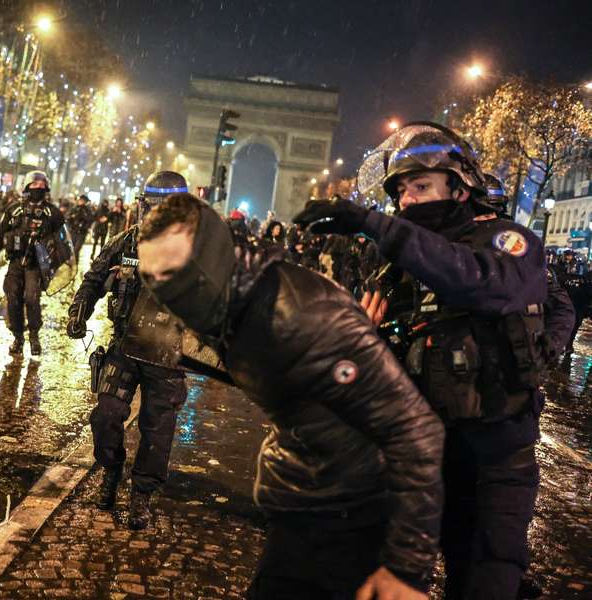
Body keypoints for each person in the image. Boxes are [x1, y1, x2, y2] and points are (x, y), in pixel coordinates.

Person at [137, 193, 444, 599]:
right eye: (154, 279)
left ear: (209, 258)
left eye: (177, 274)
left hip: (349, 516)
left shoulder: (304, 318)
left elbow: (415, 431)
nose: (168, 295)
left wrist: (406, 571)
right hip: (303, 504)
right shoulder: (231, 301)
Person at [295, 121, 549, 599]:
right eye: (402, 192)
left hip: (496, 461)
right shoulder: (395, 268)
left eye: (421, 186)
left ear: (459, 187)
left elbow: (476, 280)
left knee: (485, 580)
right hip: (422, 461)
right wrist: (359, 345)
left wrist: (375, 224)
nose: (408, 200)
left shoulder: (508, 242)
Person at [66, 171, 191, 531]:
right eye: (151, 207)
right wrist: (79, 313)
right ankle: (111, 470)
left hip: (167, 357)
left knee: (158, 431)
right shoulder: (126, 243)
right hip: (125, 346)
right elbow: (92, 280)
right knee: (105, 415)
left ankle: (142, 496)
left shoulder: (196, 255)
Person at [0, 171, 64, 356]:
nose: (38, 189)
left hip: (36, 265)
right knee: (13, 297)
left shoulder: (53, 213)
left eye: (42, 187)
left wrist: (56, 263)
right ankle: (18, 337)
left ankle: (34, 336)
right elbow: (1, 234)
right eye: (34, 186)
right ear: (27, 188)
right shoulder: (14, 209)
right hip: (16, 261)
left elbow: (63, 242)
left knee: (32, 298)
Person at [67, 194, 94, 261]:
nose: (81, 201)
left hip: (82, 233)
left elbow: (90, 219)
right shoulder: (74, 208)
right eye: (80, 200)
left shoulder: (87, 210)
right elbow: (67, 217)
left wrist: (85, 222)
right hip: (73, 231)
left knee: (76, 249)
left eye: (83, 200)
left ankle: (73, 264)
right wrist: (72, 217)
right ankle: (75, 265)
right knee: (72, 249)